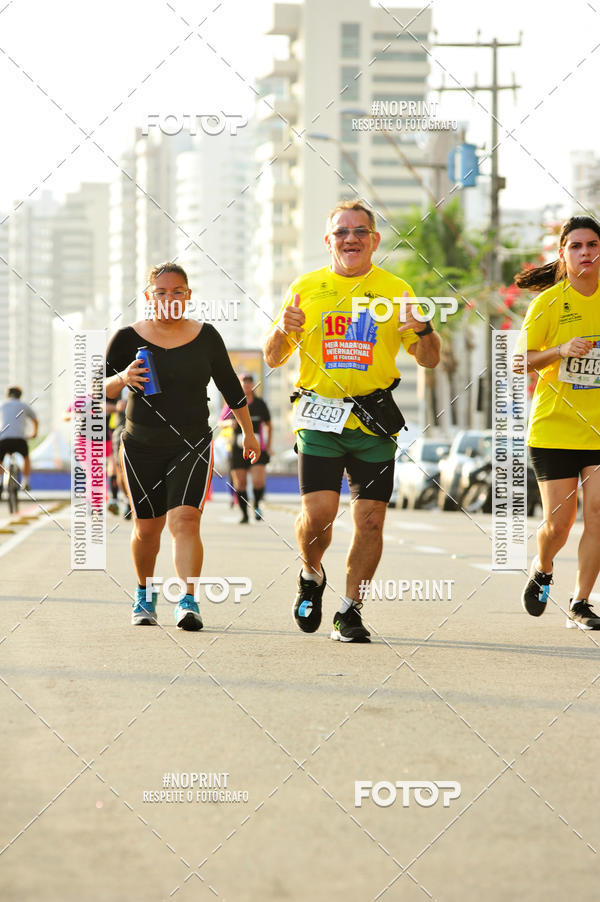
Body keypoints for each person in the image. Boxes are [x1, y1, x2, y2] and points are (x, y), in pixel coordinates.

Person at [263, 200, 440, 643]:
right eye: (341, 232)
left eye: (360, 231)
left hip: (374, 421)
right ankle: (311, 574)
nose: (351, 239)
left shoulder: (396, 290)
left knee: (371, 520)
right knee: (318, 516)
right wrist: (282, 328)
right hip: (319, 417)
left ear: (374, 240)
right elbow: (273, 357)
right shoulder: (305, 287)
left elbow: (429, 359)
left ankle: (350, 610)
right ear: (328, 241)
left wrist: (424, 330)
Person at [105, 262, 260, 630]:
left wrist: (248, 433)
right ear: (149, 297)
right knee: (147, 528)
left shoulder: (206, 336)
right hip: (140, 445)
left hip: (191, 443)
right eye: (161, 292)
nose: (169, 298)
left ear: (188, 295)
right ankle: (144, 593)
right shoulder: (127, 337)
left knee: (186, 519)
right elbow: (96, 388)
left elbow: (230, 387)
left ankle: (188, 601)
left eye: (177, 292)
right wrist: (123, 377)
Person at [516, 216, 600, 631]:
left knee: (598, 514)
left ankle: (581, 602)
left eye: (593, 245)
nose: (586, 252)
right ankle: (544, 566)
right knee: (559, 525)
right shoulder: (548, 304)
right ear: (563, 255)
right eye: (576, 246)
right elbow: (519, 361)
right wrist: (560, 350)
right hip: (554, 428)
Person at [220, 374, 272, 522]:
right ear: (240, 384)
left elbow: (269, 425)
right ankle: (244, 514)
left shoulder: (260, 404)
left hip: (257, 447)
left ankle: (257, 505)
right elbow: (220, 422)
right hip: (237, 448)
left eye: (250, 382)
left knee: (258, 481)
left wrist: (268, 446)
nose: (247, 385)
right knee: (240, 483)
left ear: (253, 385)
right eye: (244, 382)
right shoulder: (232, 402)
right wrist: (229, 423)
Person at [0, 386, 38, 492]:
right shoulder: (24, 405)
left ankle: (0, 481)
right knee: (26, 458)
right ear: (20, 395)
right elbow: (35, 420)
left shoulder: (2, 404)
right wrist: (34, 433)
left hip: (4, 439)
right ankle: (25, 482)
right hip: (19, 439)